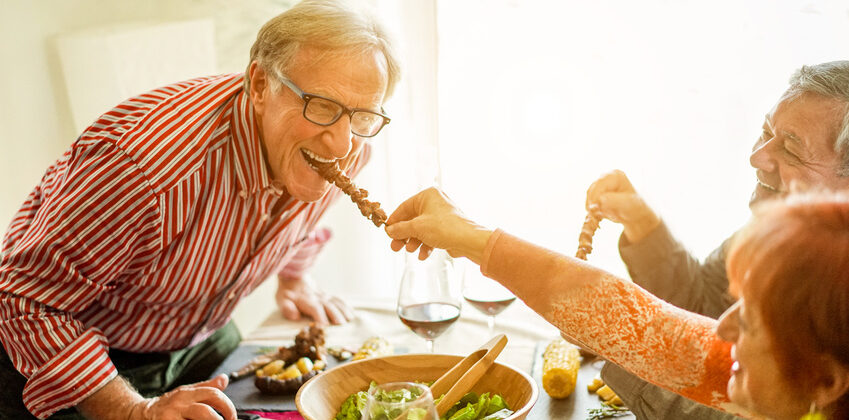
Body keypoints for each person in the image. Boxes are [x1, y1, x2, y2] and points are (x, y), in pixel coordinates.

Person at [0, 1, 400, 419]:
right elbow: (24, 301)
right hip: (75, 356)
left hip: (197, 334)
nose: (342, 144)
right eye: (321, 106)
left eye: (362, 115)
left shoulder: (344, 147)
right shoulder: (145, 169)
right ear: (260, 85)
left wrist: (294, 277)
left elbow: (297, 217)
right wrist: (134, 412)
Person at [384, 187, 849, 420]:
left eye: (750, 321)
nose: (720, 330)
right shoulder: (796, 378)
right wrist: (469, 236)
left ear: (826, 380)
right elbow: (640, 324)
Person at [581, 60, 849, 419]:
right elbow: (705, 309)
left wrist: (620, 341)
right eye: (766, 132)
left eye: (790, 149)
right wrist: (644, 228)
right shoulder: (777, 227)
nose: (756, 157)